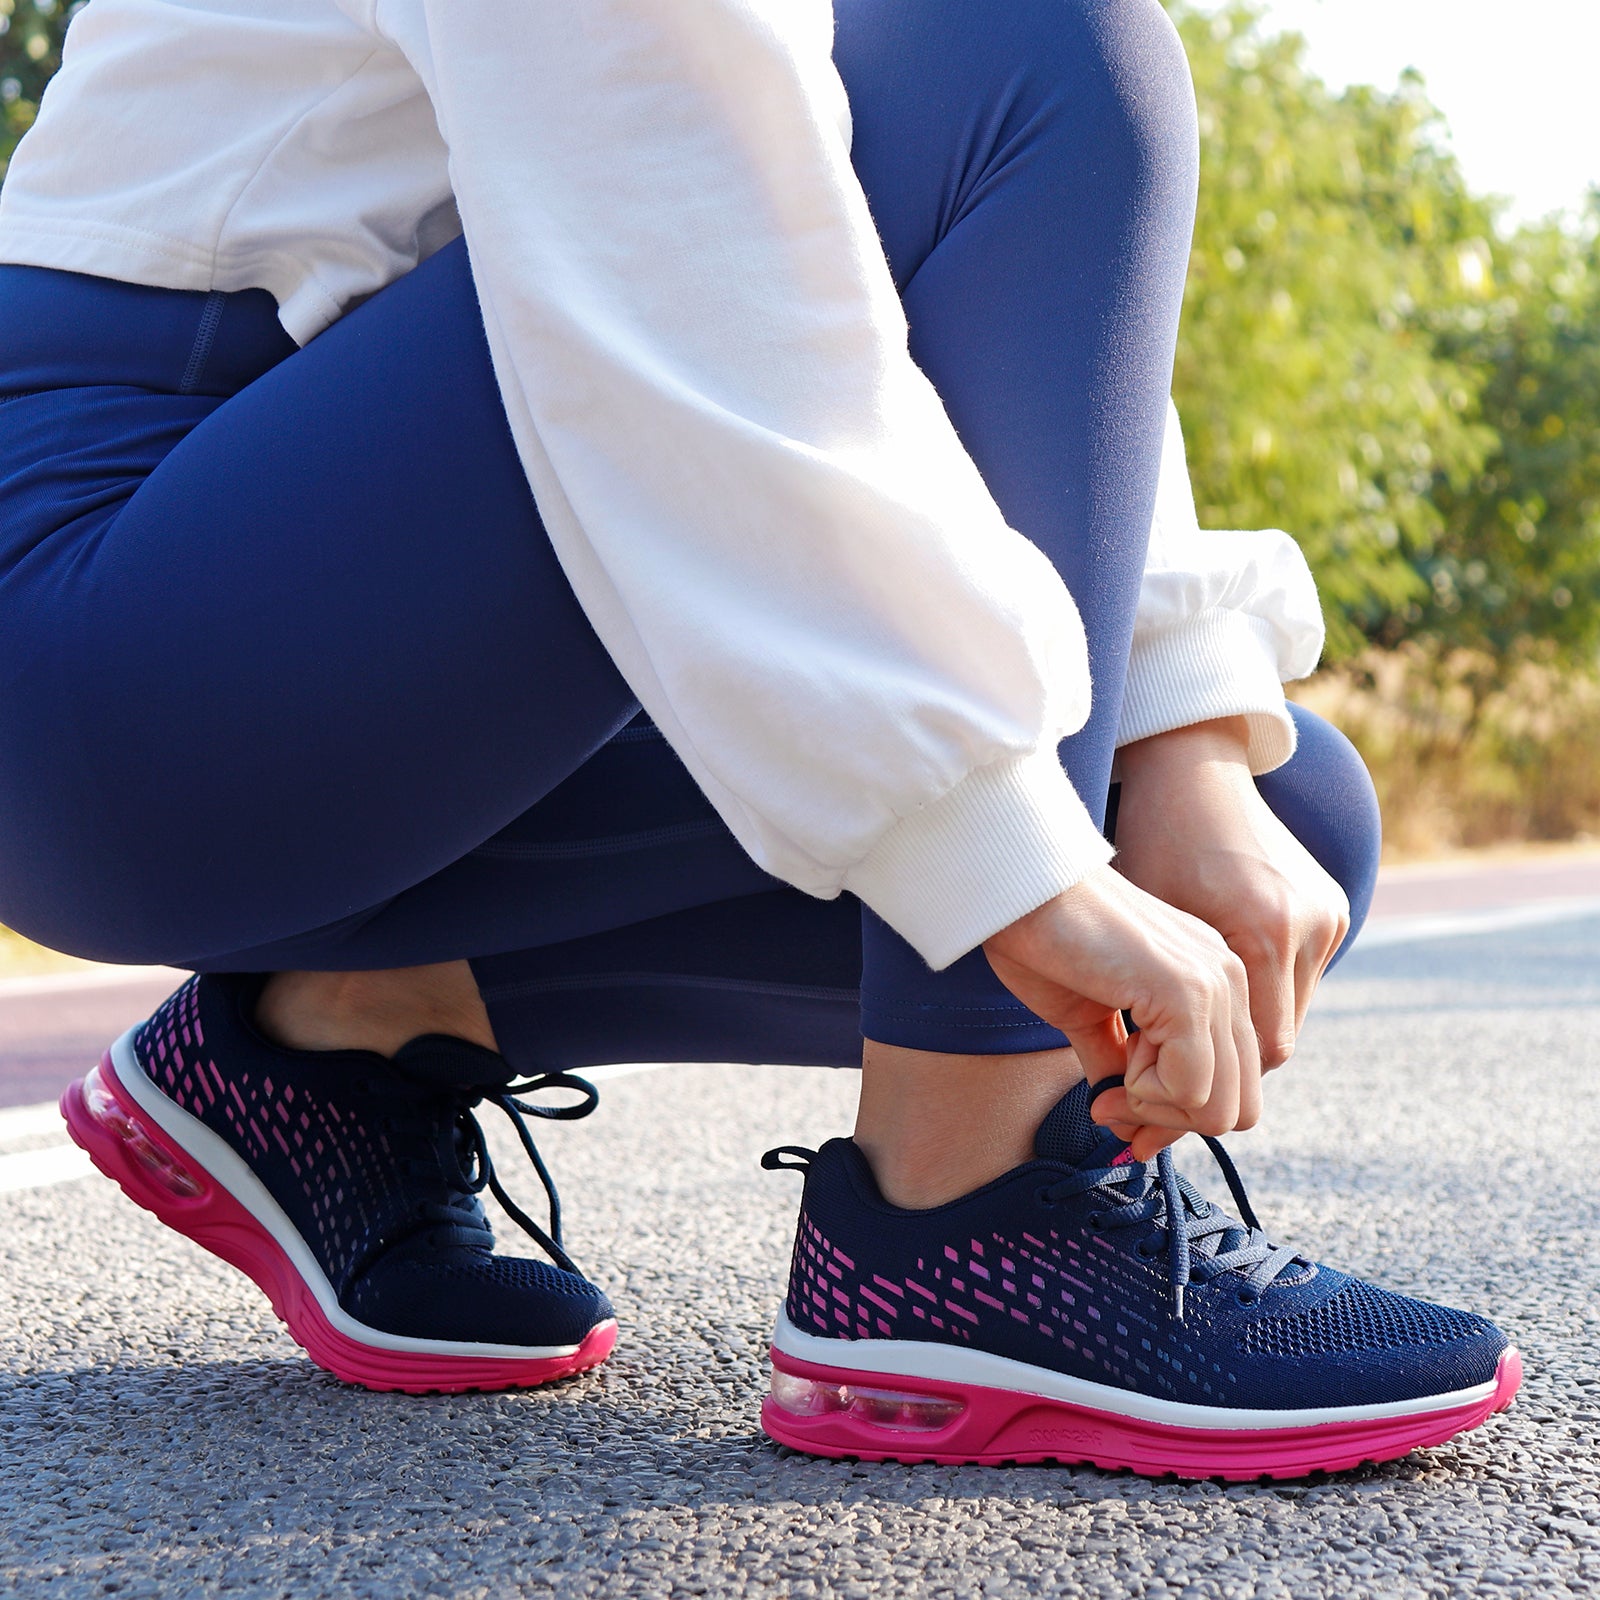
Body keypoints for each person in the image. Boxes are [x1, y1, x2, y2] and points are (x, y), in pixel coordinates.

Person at [0, 0, 1517, 1476]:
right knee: (1034, 38)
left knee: (1267, 826)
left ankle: (330, 1043)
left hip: (333, 629)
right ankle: (969, 1218)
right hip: (97, 616)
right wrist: (1004, 849)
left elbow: (989, 319)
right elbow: (684, 257)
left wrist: (1167, 731)